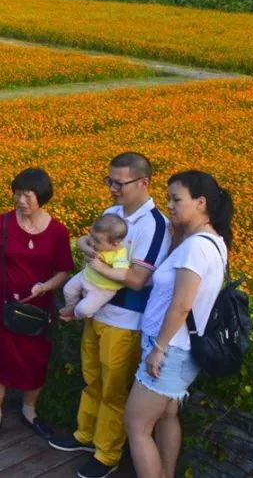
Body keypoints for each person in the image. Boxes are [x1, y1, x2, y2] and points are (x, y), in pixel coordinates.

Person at [48, 153, 171, 478]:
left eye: (119, 183)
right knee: (92, 380)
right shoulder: (111, 213)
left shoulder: (155, 224)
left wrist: (98, 260)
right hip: (97, 312)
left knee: (114, 390)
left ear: (143, 182)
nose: (113, 188)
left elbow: (137, 278)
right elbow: (92, 246)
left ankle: (107, 453)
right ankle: (84, 435)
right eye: (110, 181)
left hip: (126, 321)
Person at [124, 171, 232, 478]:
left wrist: (157, 349)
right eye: (168, 198)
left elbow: (182, 304)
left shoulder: (196, 247)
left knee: (136, 425)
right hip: (180, 349)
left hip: (169, 349)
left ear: (200, 203)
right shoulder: (210, 241)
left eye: (176, 199)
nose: (169, 204)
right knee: (167, 416)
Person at [0, 167, 73, 444]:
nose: (20, 200)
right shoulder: (1, 224)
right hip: (0, 305)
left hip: (37, 310)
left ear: (42, 197)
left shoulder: (58, 232)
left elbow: (63, 271)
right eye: (17, 194)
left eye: (27, 195)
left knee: (34, 359)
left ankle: (29, 410)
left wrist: (45, 287)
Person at [59, 215, 130, 320]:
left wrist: (101, 268)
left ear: (115, 244)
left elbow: (122, 274)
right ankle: (70, 307)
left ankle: (74, 315)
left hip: (102, 289)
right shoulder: (99, 237)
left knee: (83, 309)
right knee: (68, 289)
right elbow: (82, 240)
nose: (92, 242)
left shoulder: (119, 254)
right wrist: (88, 249)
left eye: (96, 241)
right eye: (91, 236)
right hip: (86, 275)